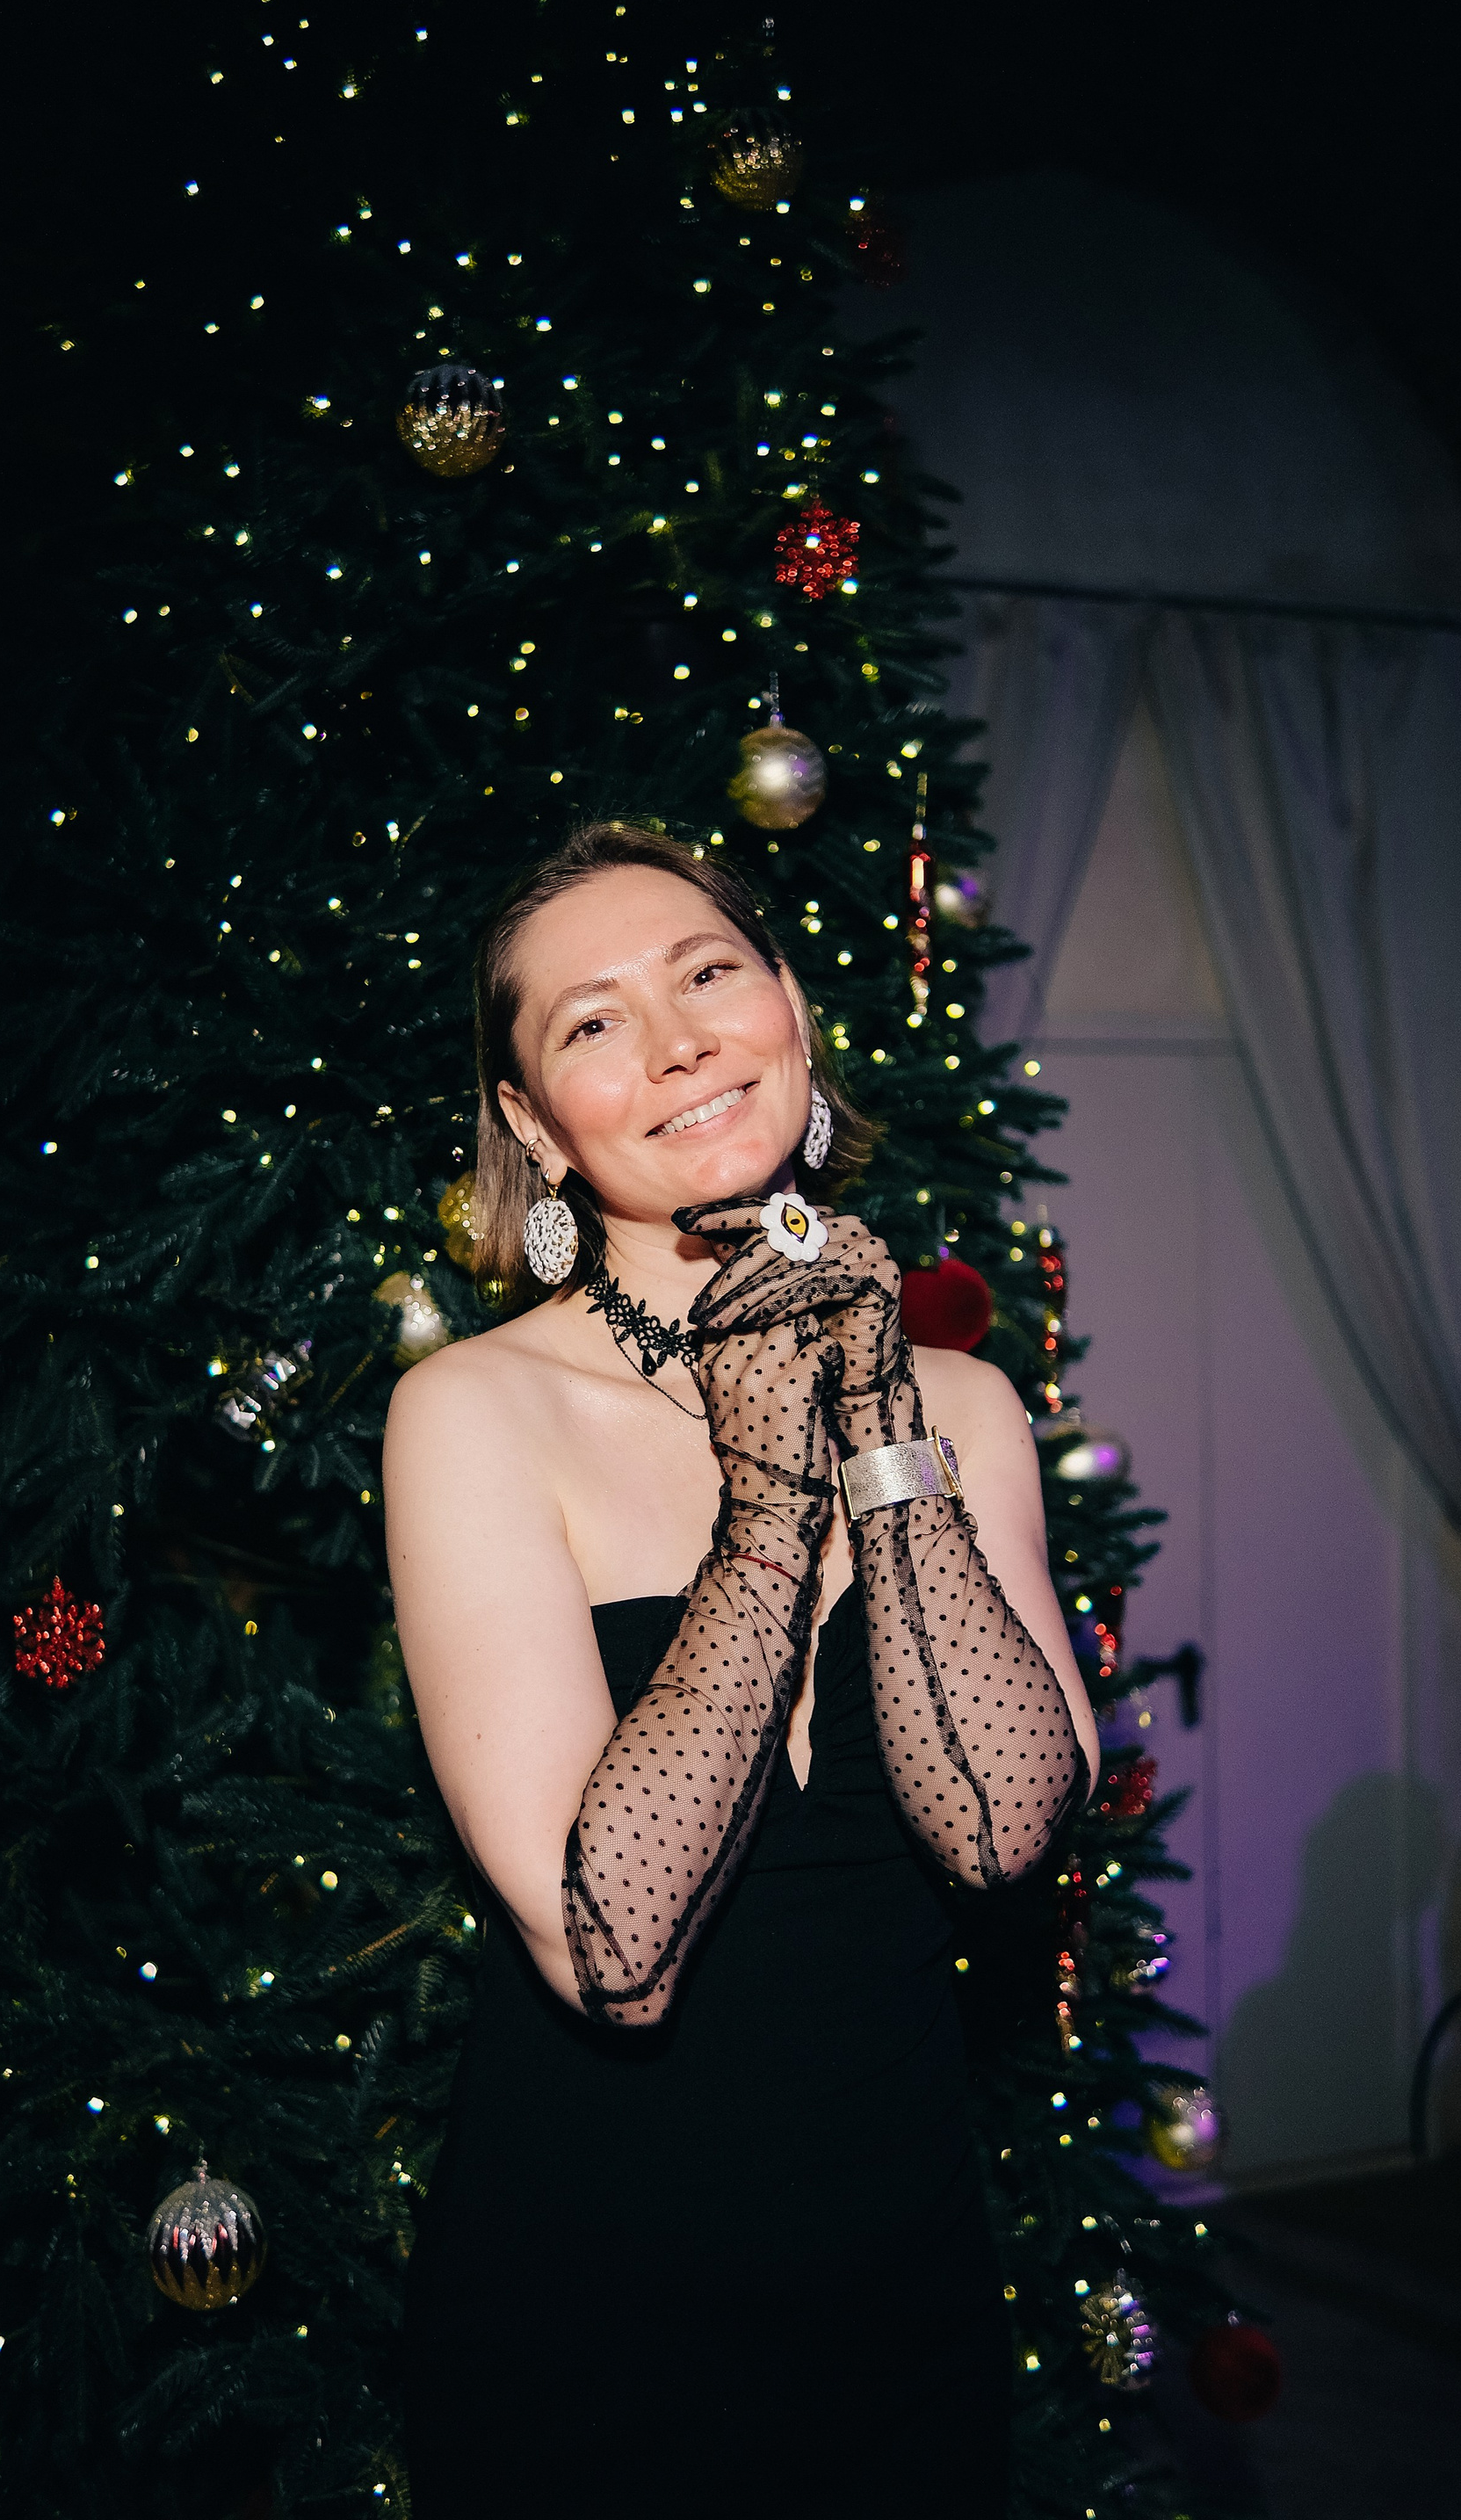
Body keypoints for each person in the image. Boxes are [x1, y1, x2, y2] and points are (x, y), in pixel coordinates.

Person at [384, 821, 1098, 2517]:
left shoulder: (966, 1405)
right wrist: (773, 1505)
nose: (678, 1040)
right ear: (534, 1127)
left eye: (708, 974)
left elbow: (1005, 1828)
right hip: (593, 2311)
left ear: (788, 1010)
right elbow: (615, 1952)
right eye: (594, 1021)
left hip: (906, 2288)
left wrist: (884, 1429)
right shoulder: (475, 1414)